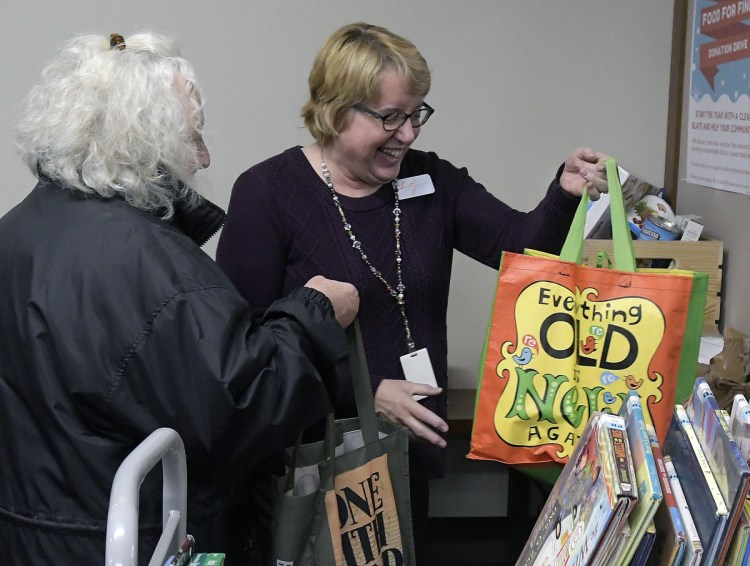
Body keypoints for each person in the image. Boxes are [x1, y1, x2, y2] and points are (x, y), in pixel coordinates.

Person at [215, 21, 608, 560]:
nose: (409, 134)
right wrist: (364, 393)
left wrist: (563, 195)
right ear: (335, 110)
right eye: (390, 117)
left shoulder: (432, 182)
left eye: (416, 114)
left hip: (407, 447)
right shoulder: (267, 193)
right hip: (312, 457)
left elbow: (520, 248)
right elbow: (247, 352)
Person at [0, 32, 359, 564]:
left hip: (32, 534)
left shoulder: (18, 232)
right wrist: (316, 312)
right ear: (145, 139)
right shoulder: (153, 266)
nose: (206, 155)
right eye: (194, 136)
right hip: (133, 539)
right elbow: (241, 408)